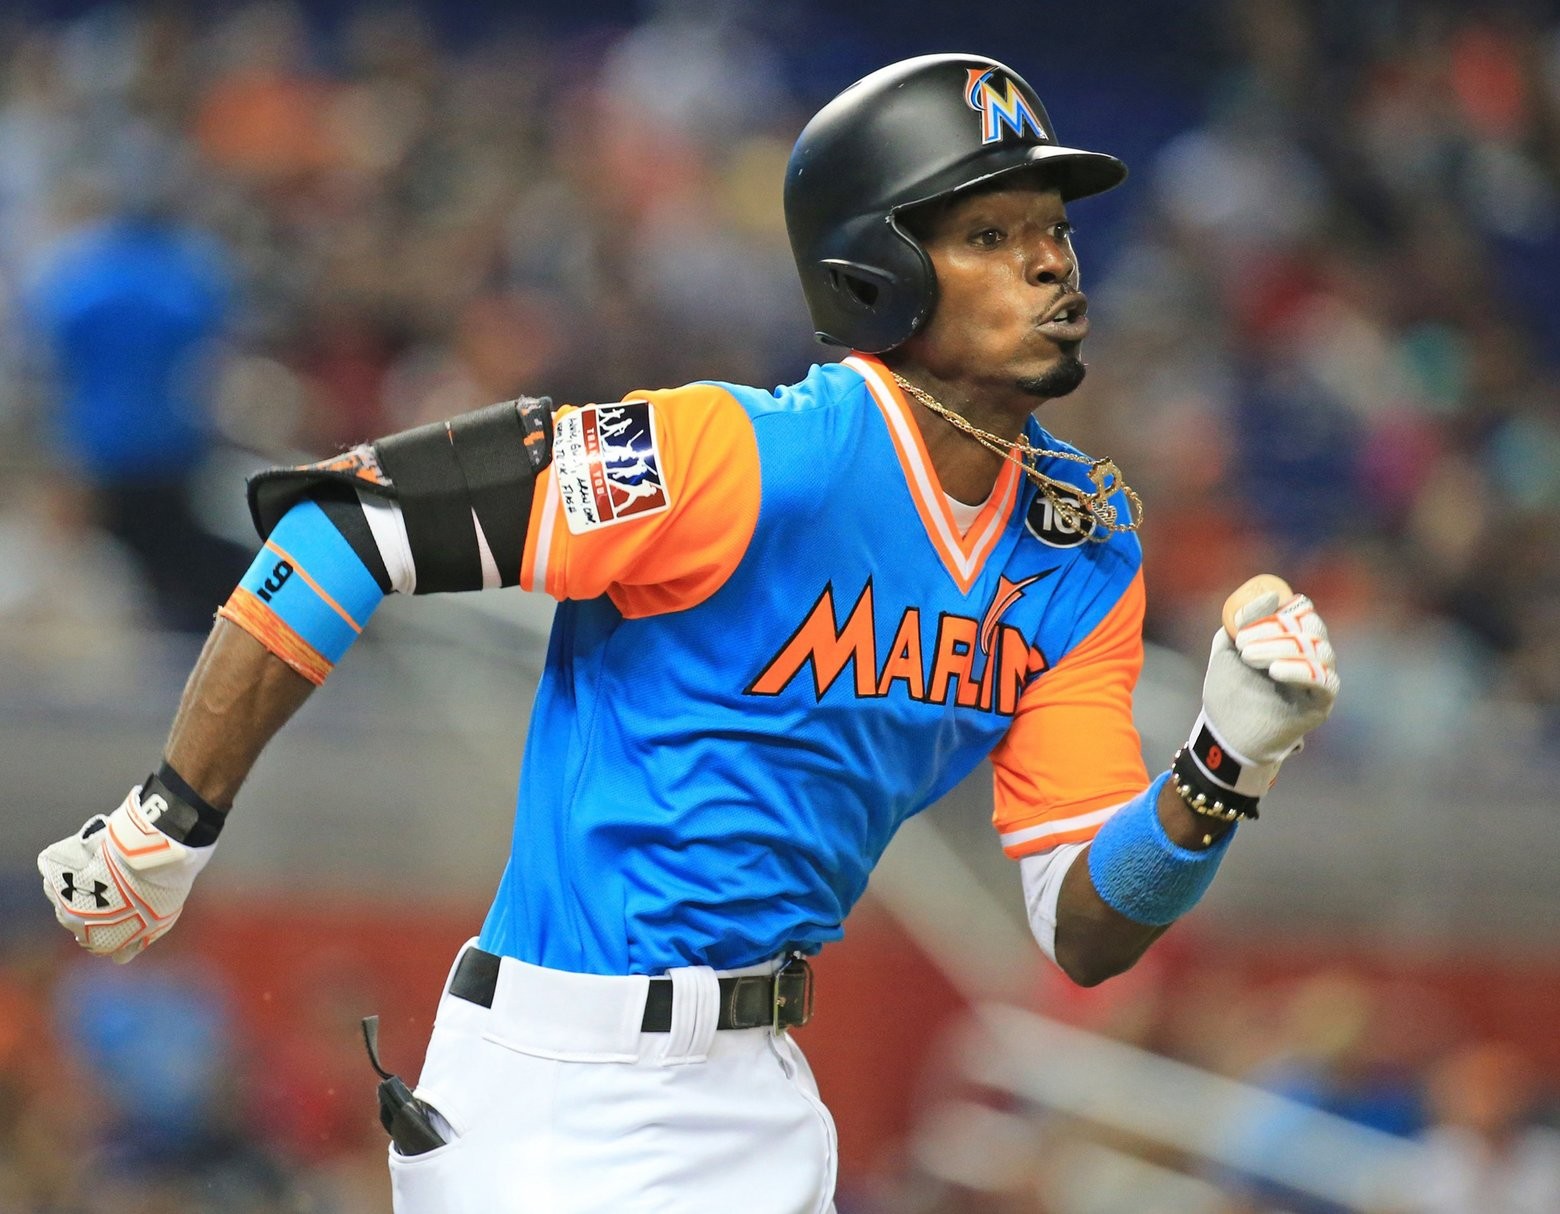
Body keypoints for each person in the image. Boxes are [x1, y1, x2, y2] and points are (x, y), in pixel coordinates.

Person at [37, 54, 1339, 1214]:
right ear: (876, 266)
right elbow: (347, 528)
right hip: (557, 1081)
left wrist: (1226, 761)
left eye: (1051, 228)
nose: (1053, 262)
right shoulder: (739, 453)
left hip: (764, 1092)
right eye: (992, 232)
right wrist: (171, 818)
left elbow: (1082, 923)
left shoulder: (1079, 546)